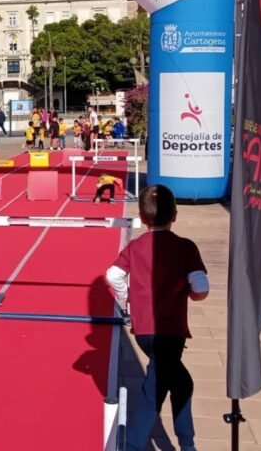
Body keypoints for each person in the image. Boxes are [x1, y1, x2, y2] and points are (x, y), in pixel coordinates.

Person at [105, 185, 209, 451]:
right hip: (171, 332)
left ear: (141, 215)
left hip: (144, 332)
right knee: (154, 393)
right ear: (175, 215)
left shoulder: (136, 246)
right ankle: (135, 445)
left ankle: (187, 443)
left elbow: (113, 275)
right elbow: (201, 287)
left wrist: (125, 299)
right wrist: (193, 296)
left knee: (182, 383)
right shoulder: (186, 247)